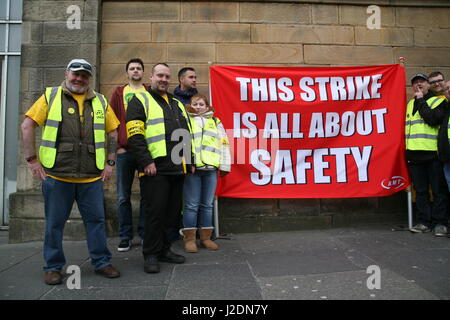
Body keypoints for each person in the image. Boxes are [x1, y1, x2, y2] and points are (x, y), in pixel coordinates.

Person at [21, 59, 121, 285]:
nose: (79, 79)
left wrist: (110, 162)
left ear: (89, 79)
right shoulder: (51, 96)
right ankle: (53, 267)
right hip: (57, 176)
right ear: (66, 73)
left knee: (96, 221)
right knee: (54, 224)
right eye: (75, 74)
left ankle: (102, 262)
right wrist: (31, 160)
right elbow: (27, 125)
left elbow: (113, 131)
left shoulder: (101, 101)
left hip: (91, 177)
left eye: (84, 75)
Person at [126, 63, 193, 273]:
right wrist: (146, 162)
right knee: (154, 213)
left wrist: (189, 161)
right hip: (155, 168)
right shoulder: (140, 100)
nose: (164, 79)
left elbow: (186, 133)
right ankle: (151, 254)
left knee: (172, 214)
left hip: (177, 167)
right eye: (160, 75)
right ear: (151, 77)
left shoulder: (176, 103)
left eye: (167, 76)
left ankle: (165, 250)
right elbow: (135, 135)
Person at [181, 94, 231, 253]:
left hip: (211, 170)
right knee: (191, 205)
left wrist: (224, 166)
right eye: (195, 104)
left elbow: (224, 144)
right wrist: (187, 165)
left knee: (207, 205)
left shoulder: (216, 122)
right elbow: (182, 143)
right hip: (193, 170)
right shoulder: (185, 120)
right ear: (190, 106)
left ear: (207, 107)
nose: (198, 106)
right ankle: (189, 239)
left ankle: (206, 238)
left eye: (201, 104)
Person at [110, 58, 148, 252]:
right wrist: (117, 147)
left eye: (138, 68)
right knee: (123, 196)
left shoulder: (149, 92)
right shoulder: (119, 92)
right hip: (125, 152)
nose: (135, 71)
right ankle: (125, 236)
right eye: (132, 68)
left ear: (143, 72)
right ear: (127, 73)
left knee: (146, 195)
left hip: (145, 152)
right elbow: (112, 121)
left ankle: (143, 234)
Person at [406, 73, 448, 237]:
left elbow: (433, 119)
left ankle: (440, 223)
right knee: (421, 191)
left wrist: (420, 99)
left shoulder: (440, 101)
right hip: (414, 154)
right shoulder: (410, 104)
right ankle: (424, 221)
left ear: (428, 85)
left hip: (432, 154)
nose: (418, 84)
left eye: (422, 82)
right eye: (415, 82)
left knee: (438, 190)